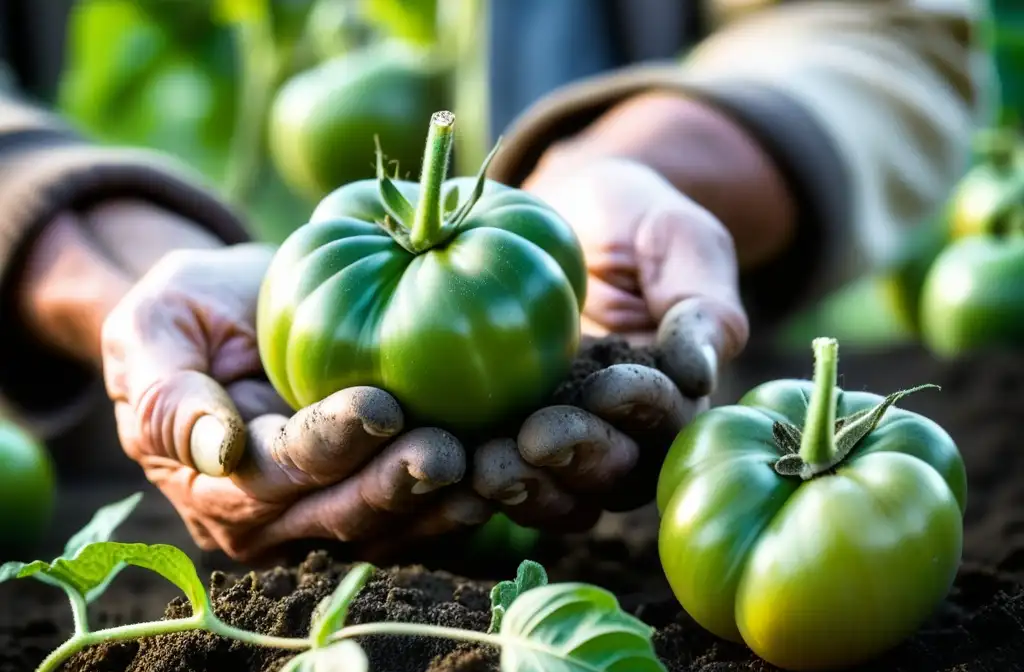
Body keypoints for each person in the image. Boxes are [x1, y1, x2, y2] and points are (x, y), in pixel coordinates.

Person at [0, 0, 977, 561]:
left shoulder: (454, 257)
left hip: (641, 512)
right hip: (81, 450)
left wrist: (629, 165)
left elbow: (873, 26)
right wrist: (80, 246)